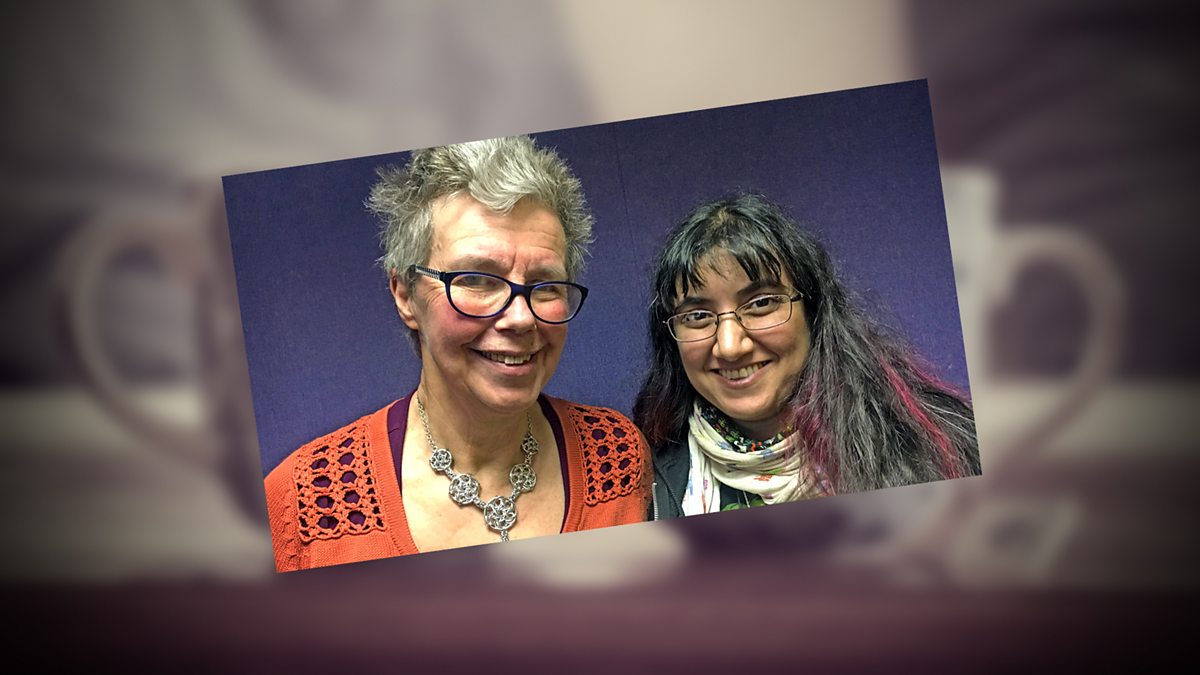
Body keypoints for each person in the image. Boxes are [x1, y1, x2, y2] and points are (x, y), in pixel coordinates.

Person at [265, 136, 650, 571]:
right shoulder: (302, 505)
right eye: (477, 279)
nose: (520, 318)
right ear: (405, 294)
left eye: (545, 284)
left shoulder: (617, 457)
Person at [634, 194, 980, 519]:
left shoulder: (940, 443)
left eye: (761, 303)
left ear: (813, 313)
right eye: (697, 316)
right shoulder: (640, 484)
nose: (729, 346)